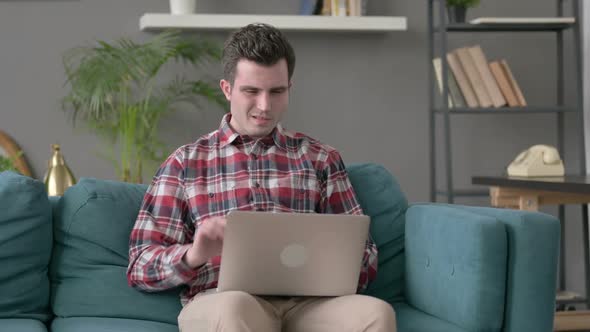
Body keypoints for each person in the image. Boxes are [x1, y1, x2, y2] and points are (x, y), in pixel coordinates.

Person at [127, 23, 396, 332]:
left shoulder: (321, 159)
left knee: (376, 313)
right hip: (222, 299)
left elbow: (365, 255)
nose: (265, 106)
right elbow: (140, 266)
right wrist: (194, 254)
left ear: (289, 89)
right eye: (251, 91)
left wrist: (338, 263)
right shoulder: (186, 162)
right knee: (233, 309)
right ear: (227, 89)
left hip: (309, 304)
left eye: (276, 91)